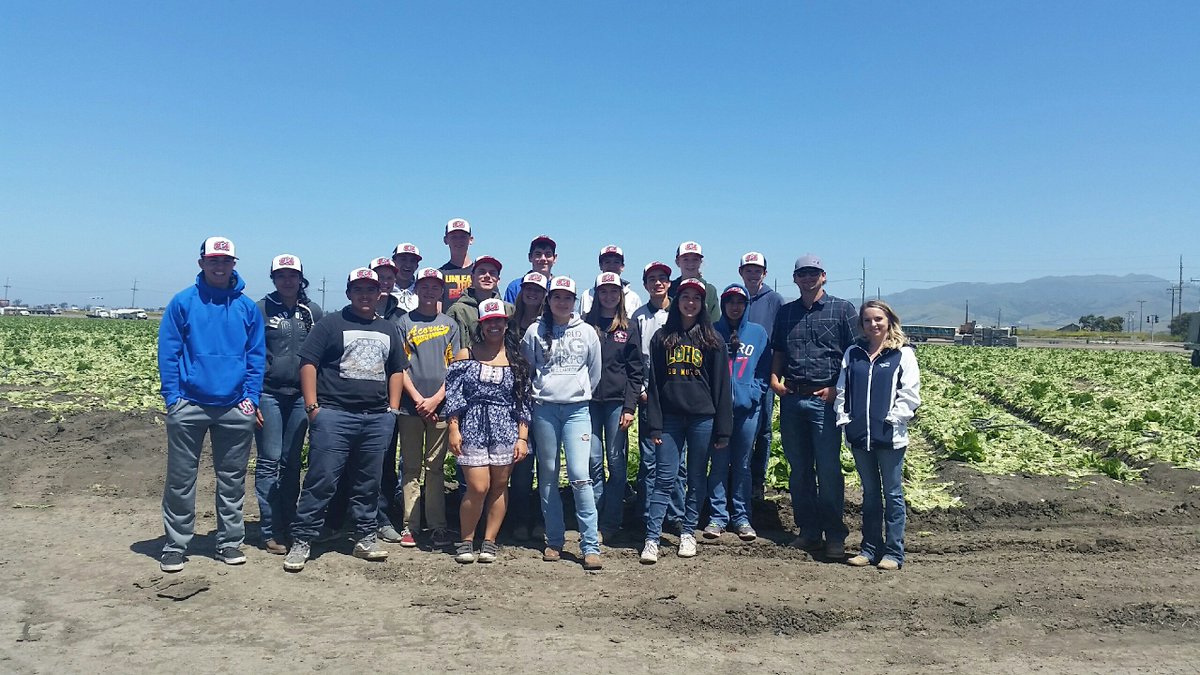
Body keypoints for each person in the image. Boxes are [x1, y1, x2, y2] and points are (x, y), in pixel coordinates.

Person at [283, 268, 408, 572]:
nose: (365, 295)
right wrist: (313, 407)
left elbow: (396, 370)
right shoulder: (330, 324)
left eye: (371, 290)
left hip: (376, 418)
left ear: (380, 295)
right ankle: (303, 539)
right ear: (349, 293)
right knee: (321, 479)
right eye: (359, 290)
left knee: (369, 482)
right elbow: (309, 363)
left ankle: (365, 536)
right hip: (335, 415)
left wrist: (391, 410)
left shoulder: (388, 329)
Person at [158, 236, 265, 572]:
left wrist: (251, 398)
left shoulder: (247, 308)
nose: (220, 266)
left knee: (232, 479)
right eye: (214, 260)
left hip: (234, 406)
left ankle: (229, 542)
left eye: (226, 261)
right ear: (202, 262)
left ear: (234, 264)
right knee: (180, 478)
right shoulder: (183, 302)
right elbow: (169, 352)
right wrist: (172, 397)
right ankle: (176, 544)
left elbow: (256, 357)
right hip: (189, 403)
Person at [770, 254, 857, 561]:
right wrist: (774, 379)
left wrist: (838, 389)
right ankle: (808, 532)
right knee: (800, 470)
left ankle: (835, 535)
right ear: (795, 278)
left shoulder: (842, 309)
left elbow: (856, 353)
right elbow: (779, 349)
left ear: (824, 276)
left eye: (813, 273)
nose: (807, 278)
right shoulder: (786, 312)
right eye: (802, 273)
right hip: (792, 398)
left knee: (829, 469)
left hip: (824, 401)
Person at [642, 279, 732, 564]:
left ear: (702, 304)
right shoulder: (661, 337)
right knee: (664, 478)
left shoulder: (713, 340)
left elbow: (722, 386)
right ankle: (652, 538)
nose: (690, 302)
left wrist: (723, 429)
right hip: (669, 419)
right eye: (685, 297)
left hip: (702, 418)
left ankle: (688, 532)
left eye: (696, 298)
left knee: (695, 478)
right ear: (676, 300)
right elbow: (654, 384)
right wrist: (654, 424)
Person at [521, 276, 604, 570]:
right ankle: (554, 540)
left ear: (574, 302)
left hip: (577, 410)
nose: (562, 302)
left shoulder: (587, 333)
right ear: (549, 300)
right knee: (549, 475)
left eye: (567, 297)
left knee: (581, 475)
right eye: (557, 297)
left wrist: (577, 392)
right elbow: (528, 368)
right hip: (544, 409)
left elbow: (594, 372)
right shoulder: (535, 331)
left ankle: (590, 545)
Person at [444, 298, 533, 563]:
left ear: (506, 325)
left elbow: (523, 401)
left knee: (499, 485)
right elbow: (454, 396)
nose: (494, 326)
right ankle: (466, 539)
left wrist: (522, 437)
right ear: (480, 326)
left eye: (498, 321)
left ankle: (490, 541)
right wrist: (453, 428)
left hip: (505, 427)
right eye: (488, 322)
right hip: (472, 425)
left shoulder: (517, 360)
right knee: (477, 486)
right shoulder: (465, 355)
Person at [835, 300, 921, 571]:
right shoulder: (854, 352)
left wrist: (894, 419)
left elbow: (910, 393)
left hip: (889, 438)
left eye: (878, 319)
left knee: (893, 494)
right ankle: (869, 548)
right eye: (868, 320)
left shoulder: (902, 353)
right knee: (870, 494)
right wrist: (845, 418)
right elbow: (842, 390)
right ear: (861, 324)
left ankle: (894, 552)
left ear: (889, 321)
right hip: (860, 436)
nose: (873, 324)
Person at [254, 253, 323, 555]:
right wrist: (251, 396)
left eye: (292, 275)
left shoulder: (312, 311)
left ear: (300, 278)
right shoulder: (260, 309)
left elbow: (320, 355)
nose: (287, 280)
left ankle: (290, 522)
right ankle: (270, 529)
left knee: (292, 461)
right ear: (273, 278)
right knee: (269, 460)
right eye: (281, 275)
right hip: (268, 393)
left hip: (299, 396)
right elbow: (251, 354)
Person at [394, 268, 461, 549]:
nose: (430, 291)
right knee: (410, 467)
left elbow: (455, 367)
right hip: (411, 408)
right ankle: (409, 526)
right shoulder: (404, 322)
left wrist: (434, 399)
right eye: (425, 286)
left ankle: (437, 526)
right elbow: (400, 366)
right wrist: (419, 400)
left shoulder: (450, 325)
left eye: (435, 287)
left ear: (441, 291)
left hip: (440, 406)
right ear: (417, 289)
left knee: (435, 468)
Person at [706, 284, 769, 542]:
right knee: (719, 463)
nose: (735, 306)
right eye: (730, 301)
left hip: (746, 411)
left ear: (746, 305)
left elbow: (764, 370)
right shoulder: (711, 332)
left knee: (742, 465)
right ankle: (717, 517)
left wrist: (753, 393)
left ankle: (742, 517)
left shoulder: (757, 333)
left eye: (740, 302)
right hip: (717, 412)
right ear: (723, 304)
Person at [583, 272, 643, 539]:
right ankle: (593, 521)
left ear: (620, 295)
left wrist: (630, 407)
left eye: (613, 291)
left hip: (618, 404)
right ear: (596, 295)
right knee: (593, 461)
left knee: (616, 463)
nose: (608, 296)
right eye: (603, 291)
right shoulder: (584, 325)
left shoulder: (629, 328)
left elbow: (635, 371)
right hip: (589, 403)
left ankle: (611, 521)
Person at [631, 261, 679, 525]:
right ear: (646, 284)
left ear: (669, 283)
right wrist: (641, 389)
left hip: (676, 390)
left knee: (676, 460)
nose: (657, 282)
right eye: (652, 279)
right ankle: (647, 514)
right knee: (649, 458)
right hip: (649, 393)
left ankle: (676, 515)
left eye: (662, 278)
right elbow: (636, 358)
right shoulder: (638, 316)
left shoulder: (681, 312)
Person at [738, 252, 785, 499]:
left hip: (764, 373)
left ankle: (758, 479)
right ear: (741, 272)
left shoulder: (774, 300)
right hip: (738, 374)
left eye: (757, 270)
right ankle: (735, 475)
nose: (753, 274)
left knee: (764, 428)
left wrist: (776, 373)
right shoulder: (736, 297)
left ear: (764, 273)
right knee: (737, 426)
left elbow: (780, 340)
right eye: (748, 269)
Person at [506, 271, 549, 540]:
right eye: (528, 287)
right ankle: (520, 520)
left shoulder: (551, 322)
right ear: (521, 290)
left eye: (538, 288)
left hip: (544, 401)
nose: (533, 292)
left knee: (546, 465)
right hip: (514, 400)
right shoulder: (510, 323)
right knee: (521, 466)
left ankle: (544, 520)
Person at [447, 255, 514, 340]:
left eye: (492, 273)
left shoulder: (508, 309)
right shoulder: (458, 311)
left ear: (498, 280)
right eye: (482, 272)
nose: (487, 276)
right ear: (472, 277)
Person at [579, 245, 642, 316]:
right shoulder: (587, 295)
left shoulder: (633, 297)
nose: (612, 266)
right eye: (607, 262)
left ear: (622, 267)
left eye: (616, 262)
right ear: (600, 266)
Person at [667, 241, 720, 322]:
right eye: (686, 259)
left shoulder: (710, 290)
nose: (690, 264)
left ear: (700, 262)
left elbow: (715, 322)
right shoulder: (669, 288)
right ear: (677, 262)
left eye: (695, 259)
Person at [503, 235, 556, 304]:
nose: (543, 258)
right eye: (538, 254)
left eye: (548, 254)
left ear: (554, 258)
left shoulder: (559, 288)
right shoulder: (515, 287)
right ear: (530, 257)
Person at [439, 218, 474, 307]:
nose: (459, 240)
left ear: (471, 240)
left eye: (463, 236)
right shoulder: (439, 274)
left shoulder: (481, 273)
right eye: (454, 237)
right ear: (445, 240)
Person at [391, 242, 423, 313]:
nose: (408, 265)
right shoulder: (384, 290)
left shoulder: (422, 292)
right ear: (393, 262)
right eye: (403, 259)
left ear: (417, 266)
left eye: (412, 261)